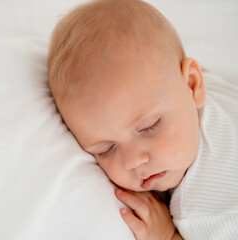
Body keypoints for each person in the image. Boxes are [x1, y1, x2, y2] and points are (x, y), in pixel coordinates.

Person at [47, 0, 238, 239]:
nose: (134, 161)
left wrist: (166, 236)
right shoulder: (206, 91)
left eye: (150, 126)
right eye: (106, 149)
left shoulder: (202, 210)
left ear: (191, 83)